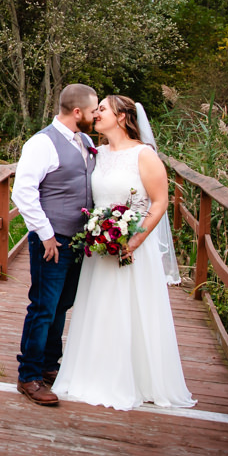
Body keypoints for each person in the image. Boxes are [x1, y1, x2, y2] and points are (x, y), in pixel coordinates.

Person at [52, 95, 195, 411]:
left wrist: (134, 242)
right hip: (98, 247)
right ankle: (90, 372)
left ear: (122, 116)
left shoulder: (145, 155)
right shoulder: (95, 153)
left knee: (129, 308)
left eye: (102, 108)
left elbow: (159, 203)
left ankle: (135, 378)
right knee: (97, 307)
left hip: (131, 248)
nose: (96, 113)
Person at [13, 83, 99, 407]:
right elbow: (23, 192)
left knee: (62, 304)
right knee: (43, 307)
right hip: (52, 240)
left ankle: (50, 363)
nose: (95, 116)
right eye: (93, 111)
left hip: (77, 240)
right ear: (78, 112)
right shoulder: (41, 144)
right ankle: (28, 375)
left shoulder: (87, 141)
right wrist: (46, 234)